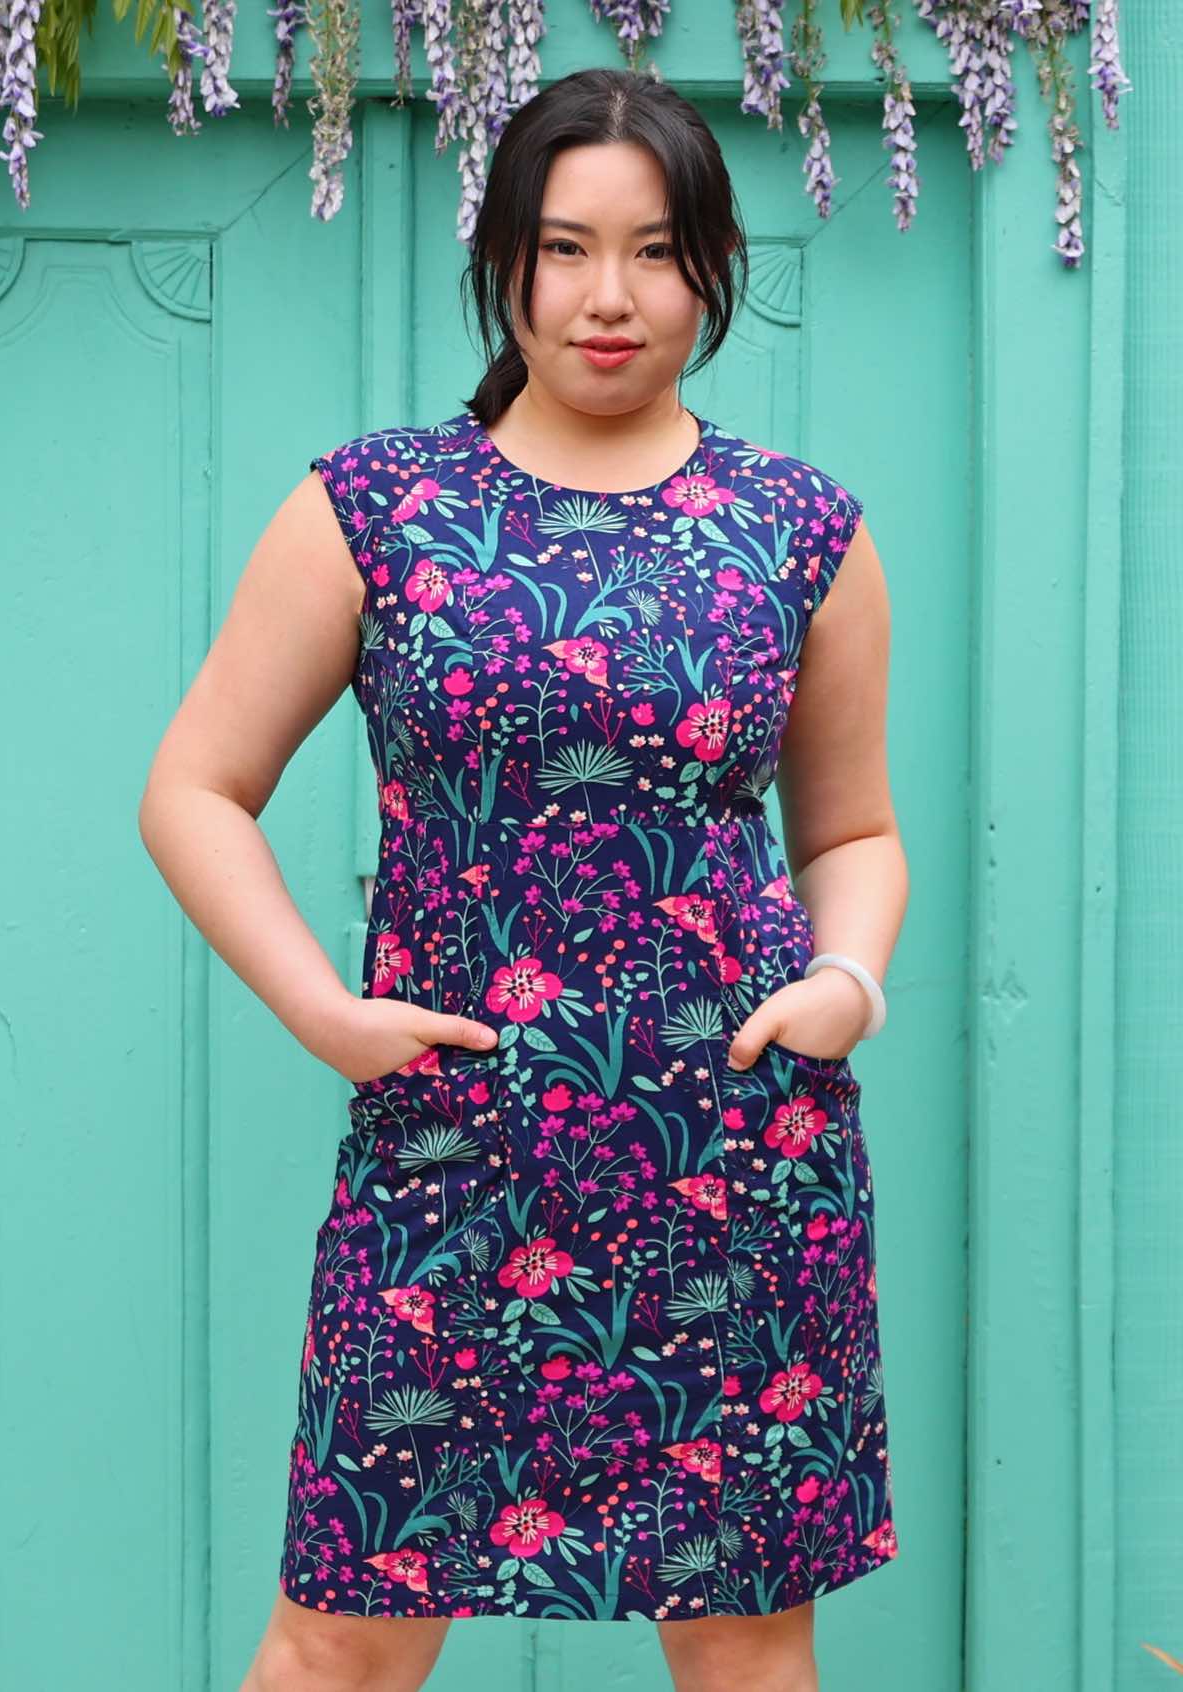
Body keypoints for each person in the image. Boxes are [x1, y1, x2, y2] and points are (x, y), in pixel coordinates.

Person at [139, 63, 907, 1692]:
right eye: (565, 249)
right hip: (453, 1146)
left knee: (750, 1645)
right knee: (338, 1636)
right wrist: (327, 1013)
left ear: (713, 268)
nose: (609, 298)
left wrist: (846, 982)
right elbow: (195, 789)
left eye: (654, 250)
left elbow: (852, 832)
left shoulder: (800, 529)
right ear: (506, 260)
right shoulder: (377, 508)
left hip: (733, 1147)